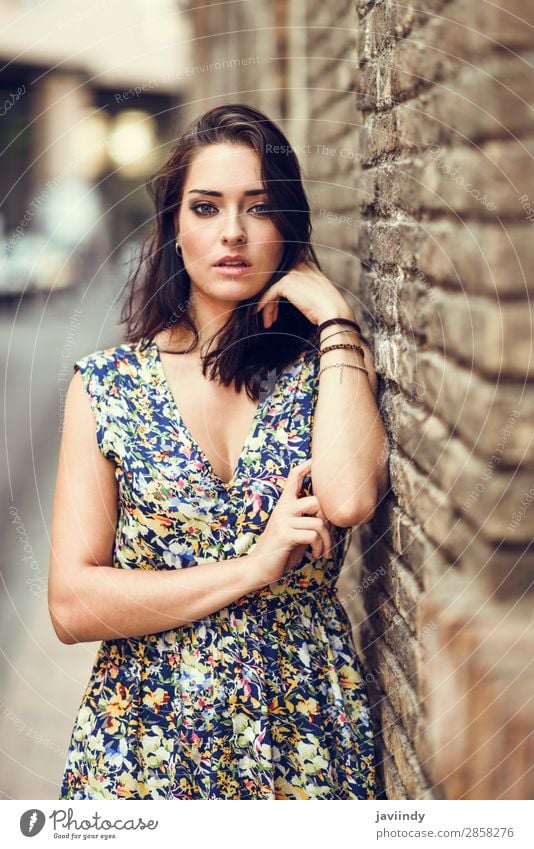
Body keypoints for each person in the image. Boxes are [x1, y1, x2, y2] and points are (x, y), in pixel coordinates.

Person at [48, 103, 389, 800]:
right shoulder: (106, 387)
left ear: (287, 227)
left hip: (302, 727)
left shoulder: (327, 368)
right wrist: (254, 567)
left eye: (258, 209)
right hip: (147, 737)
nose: (231, 232)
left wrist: (333, 314)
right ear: (174, 227)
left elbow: (352, 496)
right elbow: (72, 604)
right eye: (206, 208)